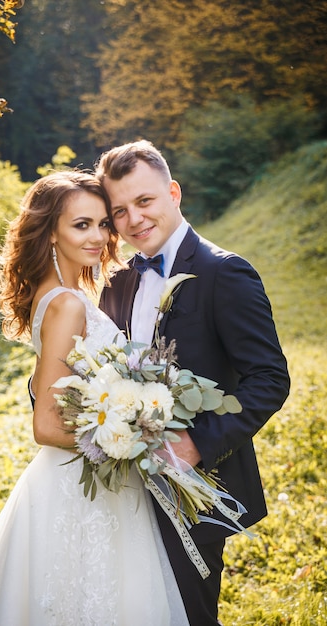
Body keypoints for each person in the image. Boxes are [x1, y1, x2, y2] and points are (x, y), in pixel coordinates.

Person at [0, 170, 189, 626]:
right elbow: (46, 424)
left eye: (102, 224)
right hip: (81, 487)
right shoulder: (67, 304)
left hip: (90, 478)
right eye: (81, 225)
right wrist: (131, 444)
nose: (98, 236)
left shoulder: (64, 295)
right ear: (51, 230)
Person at [95, 140, 290, 626]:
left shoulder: (224, 273)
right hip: (126, 484)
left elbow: (269, 379)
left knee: (189, 612)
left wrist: (196, 445)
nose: (134, 219)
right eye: (119, 210)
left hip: (196, 486)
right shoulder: (120, 280)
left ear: (173, 193)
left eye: (144, 201)